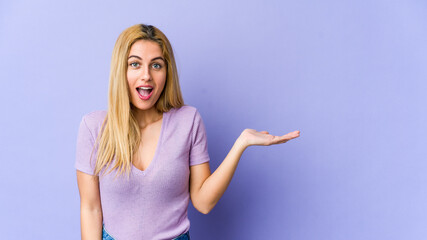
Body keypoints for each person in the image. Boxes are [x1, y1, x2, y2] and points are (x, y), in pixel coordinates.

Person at [75, 23, 300, 240]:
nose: (146, 75)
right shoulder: (93, 127)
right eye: (135, 64)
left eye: (156, 65)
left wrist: (241, 143)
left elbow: (203, 202)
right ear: (120, 70)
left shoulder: (188, 121)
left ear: (167, 72)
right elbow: (91, 208)